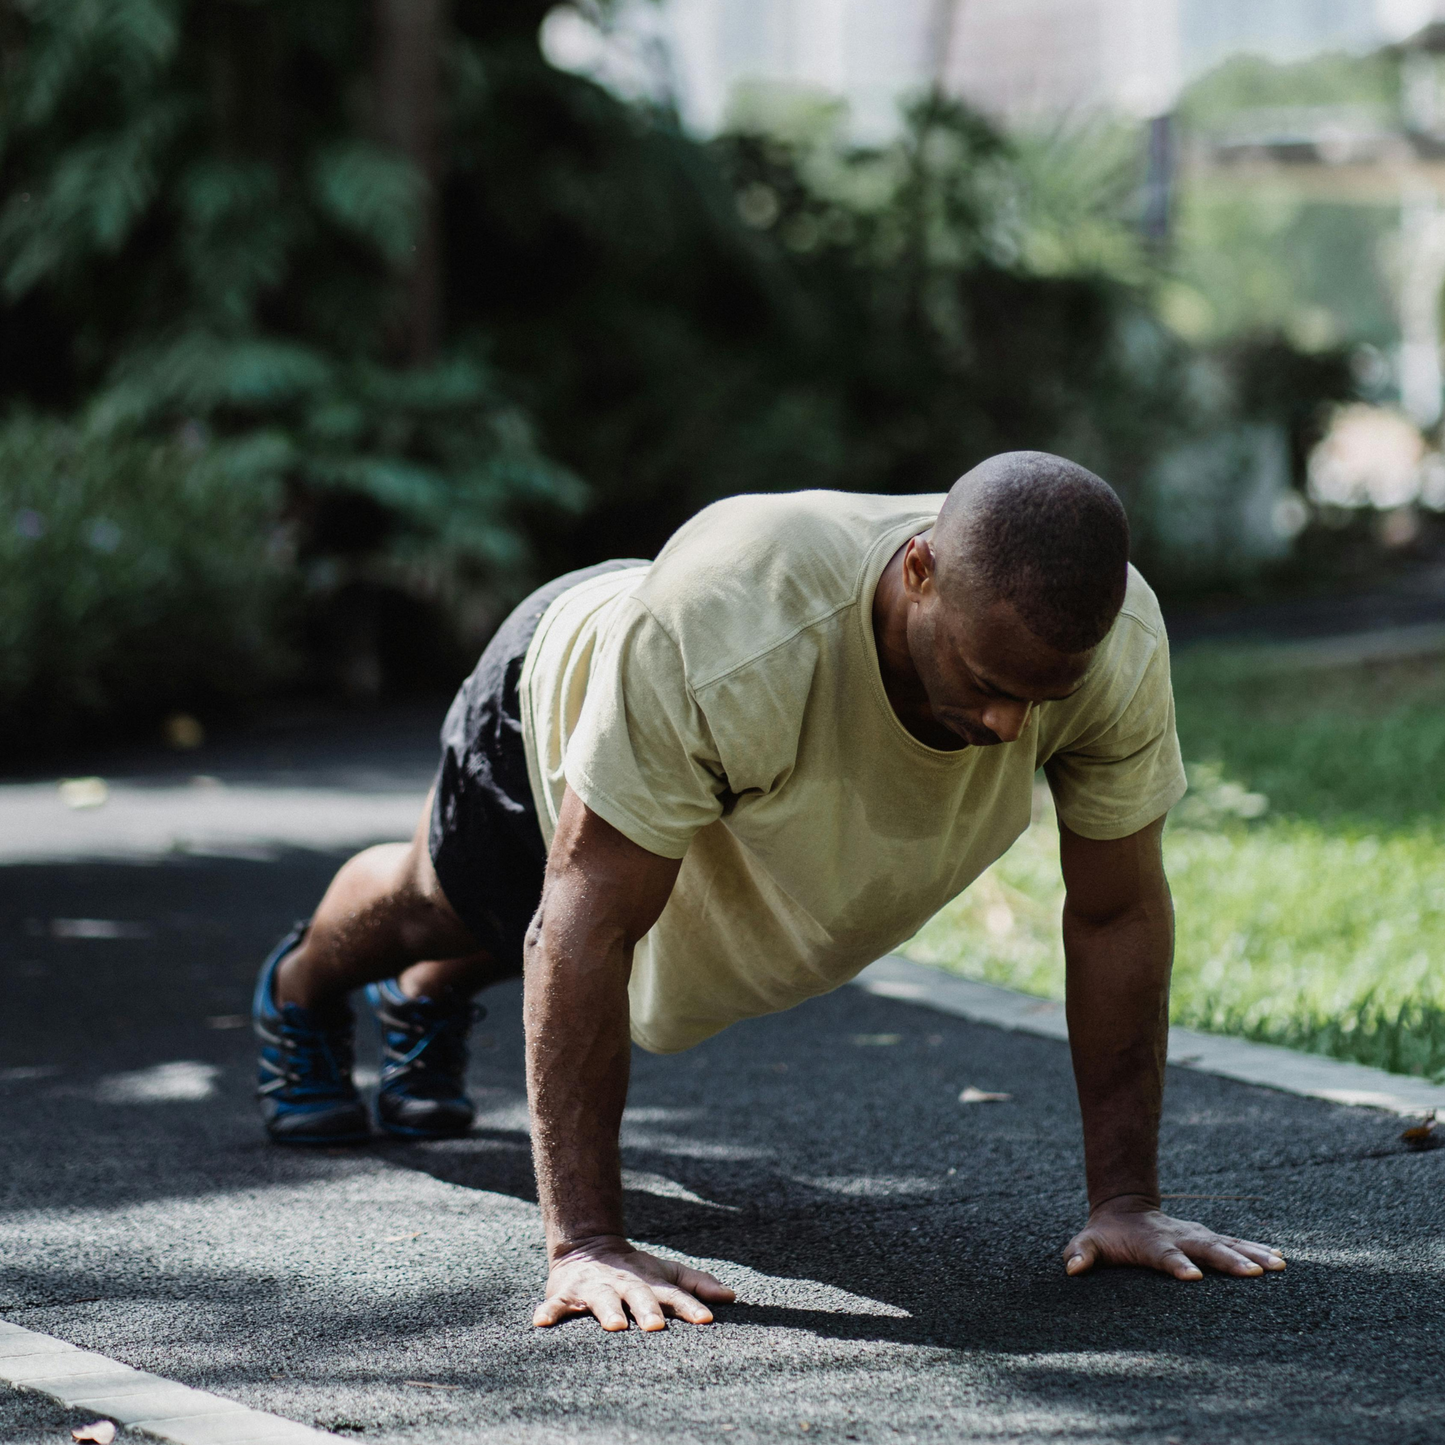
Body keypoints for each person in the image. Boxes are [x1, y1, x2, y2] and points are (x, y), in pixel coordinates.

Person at [251, 450, 1286, 1332]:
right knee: (454, 900)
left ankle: (428, 994)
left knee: (570, 920)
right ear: (918, 569)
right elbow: (580, 916)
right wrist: (588, 1242)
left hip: (724, 741)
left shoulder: (1112, 645)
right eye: (984, 678)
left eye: (1039, 694)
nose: (1010, 726)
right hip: (566, 697)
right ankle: (300, 991)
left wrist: (1125, 1200)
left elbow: (1113, 913)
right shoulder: (735, 623)